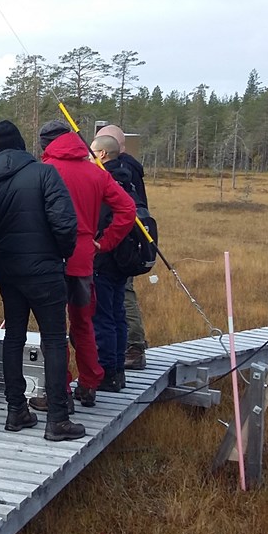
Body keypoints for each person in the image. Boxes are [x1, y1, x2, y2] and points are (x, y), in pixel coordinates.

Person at [0, 120, 84, 441]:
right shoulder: (44, 174)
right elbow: (65, 223)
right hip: (45, 271)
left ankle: (16, 411)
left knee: (14, 337)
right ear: (23, 144)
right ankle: (57, 418)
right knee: (54, 340)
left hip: (7, 272)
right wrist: (59, 255)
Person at [36, 120, 134, 408]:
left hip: (52, 258)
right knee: (83, 323)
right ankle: (90, 383)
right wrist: (105, 242)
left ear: (46, 145)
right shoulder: (96, 172)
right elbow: (127, 209)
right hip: (83, 260)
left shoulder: (45, 171)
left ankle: (61, 388)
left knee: (53, 329)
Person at [97, 124, 149, 370]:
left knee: (120, 301)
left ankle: (133, 349)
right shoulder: (129, 170)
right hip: (127, 244)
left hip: (119, 247)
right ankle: (121, 358)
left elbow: (118, 213)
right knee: (119, 302)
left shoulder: (118, 173)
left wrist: (104, 243)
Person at [90, 134, 136, 392]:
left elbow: (110, 218)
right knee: (118, 315)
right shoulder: (127, 179)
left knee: (103, 317)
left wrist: (101, 245)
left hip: (106, 260)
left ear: (103, 155)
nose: (89, 156)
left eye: (92, 152)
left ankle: (107, 372)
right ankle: (117, 370)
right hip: (121, 260)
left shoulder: (106, 182)